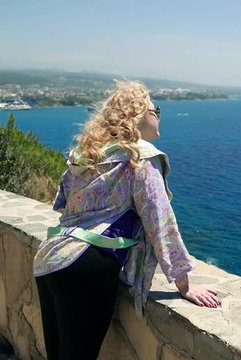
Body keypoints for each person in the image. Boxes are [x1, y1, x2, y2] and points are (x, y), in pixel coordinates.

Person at [33, 80, 222, 360]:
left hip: (51, 258)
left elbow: (62, 204)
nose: (158, 114)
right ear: (137, 115)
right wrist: (185, 284)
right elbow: (160, 222)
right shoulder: (140, 158)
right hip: (88, 265)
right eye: (154, 108)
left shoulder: (89, 154)